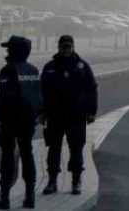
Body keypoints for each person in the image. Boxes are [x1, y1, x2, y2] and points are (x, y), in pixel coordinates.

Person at [41, 34, 98, 196]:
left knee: (77, 150)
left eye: (69, 47)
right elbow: (42, 92)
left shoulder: (82, 66)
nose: (66, 50)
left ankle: (76, 181)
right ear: (58, 47)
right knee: (53, 150)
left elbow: (91, 89)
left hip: (76, 116)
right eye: (63, 47)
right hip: (55, 116)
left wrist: (91, 111)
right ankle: (52, 181)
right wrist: (42, 113)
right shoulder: (50, 67)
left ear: (73, 47)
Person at [0, 35, 43, 210]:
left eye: (9, 48)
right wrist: (38, 114)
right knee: (27, 155)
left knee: (7, 157)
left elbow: (4, 98)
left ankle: (5, 198)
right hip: (29, 120)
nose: (6, 50)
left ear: (14, 50)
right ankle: (30, 197)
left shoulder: (7, 71)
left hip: (10, 120)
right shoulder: (33, 70)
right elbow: (39, 95)